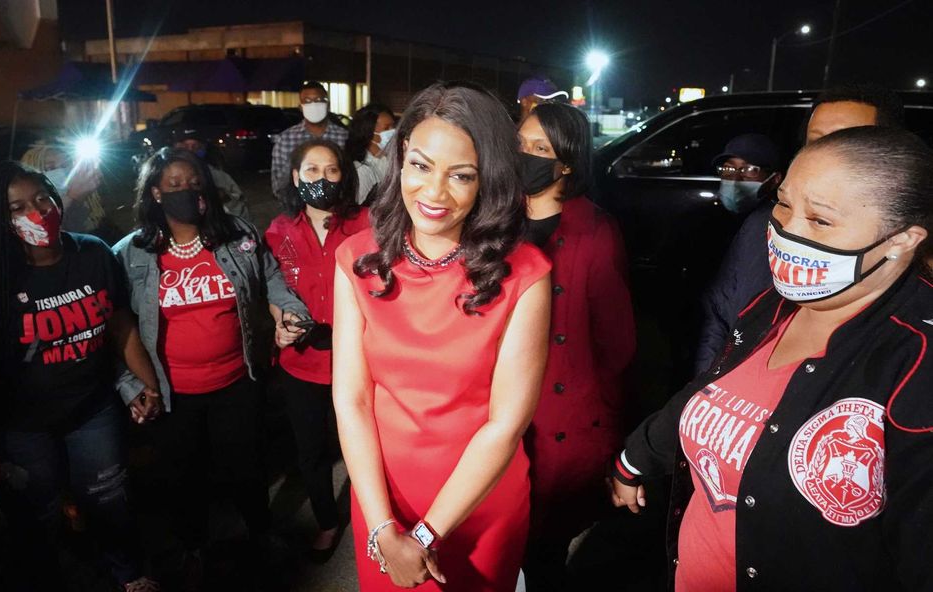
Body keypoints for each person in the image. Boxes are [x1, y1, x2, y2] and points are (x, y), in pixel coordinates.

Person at [612, 126, 933, 591]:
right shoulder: (775, 304)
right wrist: (640, 454)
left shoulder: (915, 364)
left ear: (903, 239)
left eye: (820, 221)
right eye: (783, 204)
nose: (786, 230)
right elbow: (715, 389)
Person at [333, 82, 552, 591]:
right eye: (421, 166)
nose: (434, 193)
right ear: (402, 157)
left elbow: (505, 424)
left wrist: (425, 536)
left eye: (461, 176)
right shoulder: (357, 260)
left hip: (479, 505)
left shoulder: (525, 275)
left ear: (486, 182)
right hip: (381, 498)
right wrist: (386, 528)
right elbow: (352, 400)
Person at [113, 148, 310, 586]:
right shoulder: (132, 254)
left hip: (236, 381)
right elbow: (116, 327)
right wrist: (132, 387)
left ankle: (260, 534)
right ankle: (193, 549)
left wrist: (288, 312)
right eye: (176, 185)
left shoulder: (235, 234)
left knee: (246, 466)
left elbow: (272, 279)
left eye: (195, 183)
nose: (188, 191)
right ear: (155, 193)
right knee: (183, 478)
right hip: (171, 391)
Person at [0, 161, 161, 591]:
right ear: (0, 219)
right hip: (20, 428)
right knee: (39, 513)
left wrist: (148, 382)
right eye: (16, 208)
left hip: (92, 410)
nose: (36, 212)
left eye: (42, 198)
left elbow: (120, 325)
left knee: (109, 499)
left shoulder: (92, 253)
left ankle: (128, 572)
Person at [693, 84, 905, 374]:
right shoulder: (763, 225)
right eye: (817, 142)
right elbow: (721, 312)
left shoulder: (902, 248)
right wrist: (709, 385)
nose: (828, 157)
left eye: (848, 142)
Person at [515, 102, 636, 590]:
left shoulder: (596, 232)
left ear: (566, 162)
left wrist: (613, 442)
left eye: (540, 149)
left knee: (541, 551)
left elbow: (616, 346)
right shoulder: (496, 220)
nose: (525, 156)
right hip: (496, 416)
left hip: (562, 422)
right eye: (519, 144)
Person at [263, 138, 368, 561]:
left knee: (366, 443)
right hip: (300, 362)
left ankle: (373, 518)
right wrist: (279, 322)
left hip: (358, 360)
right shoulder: (278, 231)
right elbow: (275, 287)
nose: (321, 178)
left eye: (331, 170)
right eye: (311, 170)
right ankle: (327, 521)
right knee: (311, 450)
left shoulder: (369, 224)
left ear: (344, 176)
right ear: (295, 176)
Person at [271, 81, 349, 200]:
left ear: (327, 105)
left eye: (318, 100)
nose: (313, 104)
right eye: (307, 101)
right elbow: (278, 183)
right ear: (300, 107)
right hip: (298, 207)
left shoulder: (344, 137)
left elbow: (350, 177)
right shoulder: (286, 139)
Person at [20, 142, 108, 237]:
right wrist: (73, 196)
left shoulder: (101, 226)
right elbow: (45, 232)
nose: (61, 172)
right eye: (51, 168)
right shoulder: (26, 225)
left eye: (65, 166)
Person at [174, 131, 253, 223]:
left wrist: (225, 198)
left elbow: (242, 210)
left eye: (196, 146)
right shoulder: (165, 178)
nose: (190, 150)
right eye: (185, 147)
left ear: (203, 148)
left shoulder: (219, 176)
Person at [345, 103, 396, 204]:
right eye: (386, 128)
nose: (393, 131)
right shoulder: (360, 168)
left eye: (393, 126)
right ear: (368, 132)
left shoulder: (394, 157)